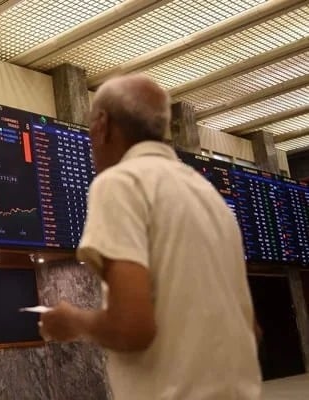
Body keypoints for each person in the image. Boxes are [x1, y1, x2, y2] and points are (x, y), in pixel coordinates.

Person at [39, 73, 262, 399]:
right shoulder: (210, 197)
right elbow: (250, 330)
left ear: (102, 124)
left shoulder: (121, 183)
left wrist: (73, 322)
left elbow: (132, 328)